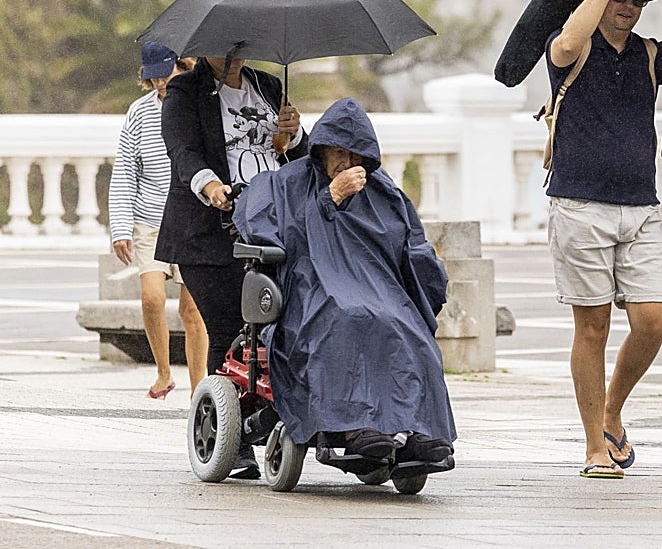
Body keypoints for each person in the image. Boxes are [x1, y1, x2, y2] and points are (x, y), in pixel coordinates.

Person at [544, 0, 662, 479]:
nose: (629, 5)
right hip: (579, 205)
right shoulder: (571, 44)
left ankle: (612, 410)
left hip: (640, 207)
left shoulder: (647, 53)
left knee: (652, 321)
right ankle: (595, 445)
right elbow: (566, 45)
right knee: (592, 326)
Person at [233, 98, 455, 462]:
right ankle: (355, 426)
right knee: (348, 318)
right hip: (312, 284)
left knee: (408, 326)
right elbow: (277, 237)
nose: (346, 163)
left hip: (377, 285)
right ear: (321, 148)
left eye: (355, 154)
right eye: (338, 152)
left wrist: (429, 275)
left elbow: (411, 242)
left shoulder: (383, 191)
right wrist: (329, 200)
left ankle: (418, 428)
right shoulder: (287, 183)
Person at [156, 53, 307, 479]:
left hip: (269, 227)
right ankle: (233, 442)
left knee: (278, 329)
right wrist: (211, 185)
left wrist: (292, 138)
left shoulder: (269, 87)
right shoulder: (185, 90)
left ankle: (276, 413)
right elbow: (182, 153)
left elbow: (301, 157)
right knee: (228, 332)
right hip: (208, 231)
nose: (234, 50)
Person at [109, 43, 208, 399]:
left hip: (193, 218)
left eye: (165, 74)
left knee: (191, 308)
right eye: (152, 78)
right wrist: (120, 226)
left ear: (182, 66)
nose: (160, 83)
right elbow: (125, 173)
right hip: (150, 220)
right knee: (151, 297)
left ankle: (200, 390)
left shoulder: (200, 104)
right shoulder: (138, 113)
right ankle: (164, 373)